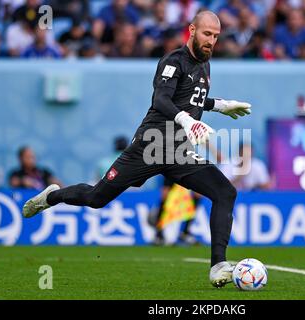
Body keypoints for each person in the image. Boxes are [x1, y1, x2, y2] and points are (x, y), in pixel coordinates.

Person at [22, 11, 252, 288]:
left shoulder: (204, 64)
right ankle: (53, 196)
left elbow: (192, 97)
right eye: (206, 34)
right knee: (97, 198)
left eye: (215, 36)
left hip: (178, 151)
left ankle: (218, 266)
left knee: (225, 192)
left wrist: (221, 105)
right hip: (150, 146)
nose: (211, 41)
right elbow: (162, 98)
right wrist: (185, 119)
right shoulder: (174, 60)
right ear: (192, 30)